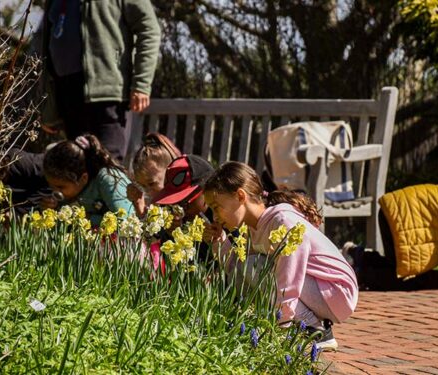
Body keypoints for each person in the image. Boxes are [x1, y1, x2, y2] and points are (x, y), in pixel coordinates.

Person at [202, 161, 358, 351]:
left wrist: (280, 324)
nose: (215, 216)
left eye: (217, 207)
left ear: (240, 195)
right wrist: (220, 241)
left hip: (336, 291)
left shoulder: (283, 221)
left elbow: (289, 279)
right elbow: (236, 269)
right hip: (318, 290)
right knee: (248, 266)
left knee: (257, 265)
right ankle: (297, 324)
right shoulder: (252, 228)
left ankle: (314, 331)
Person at [42, 0, 161, 162]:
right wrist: (48, 107)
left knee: (108, 165)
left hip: (108, 95)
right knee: (76, 167)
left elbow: (149, 29)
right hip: (67, 93)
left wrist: (141, 84)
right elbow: (44, 43)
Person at [41, 134, 134, 225]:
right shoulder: (66, 191)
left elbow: (125, 222)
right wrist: (51, 212)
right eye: (51, 185)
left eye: (60, 187)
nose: (55, 192)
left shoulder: (108, 180)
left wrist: (87, 218)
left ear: (83, 179)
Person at [152, 154, 215, 261]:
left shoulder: (224, 220)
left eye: (184, 202)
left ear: (205, 190)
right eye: (173, 203)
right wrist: (171, 235)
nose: (180, 209)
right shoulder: (183, 221)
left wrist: (215, 242)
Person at [126, 133, 181, 217]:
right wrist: (139, 208)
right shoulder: (157, 203)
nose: (148, 193)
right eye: (143, 186)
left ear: (171, 171)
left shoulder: (185, 204)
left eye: (151, 183)